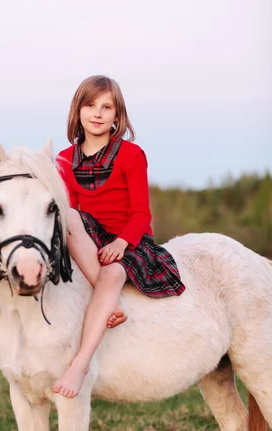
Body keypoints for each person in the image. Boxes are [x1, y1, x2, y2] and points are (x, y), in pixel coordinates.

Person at [53, 75, 185, 399]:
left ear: (117, 115)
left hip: (131, 241)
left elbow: (142, 214)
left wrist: (121, 243)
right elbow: (72, 214)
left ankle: (79, 365)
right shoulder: (63, 160)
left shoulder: (131, 155)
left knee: (113, 271)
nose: (97, 113)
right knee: (67, 215)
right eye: (90, 105)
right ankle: (109, 305)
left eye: (106, 106)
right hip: (89, 238)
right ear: (78, 111)